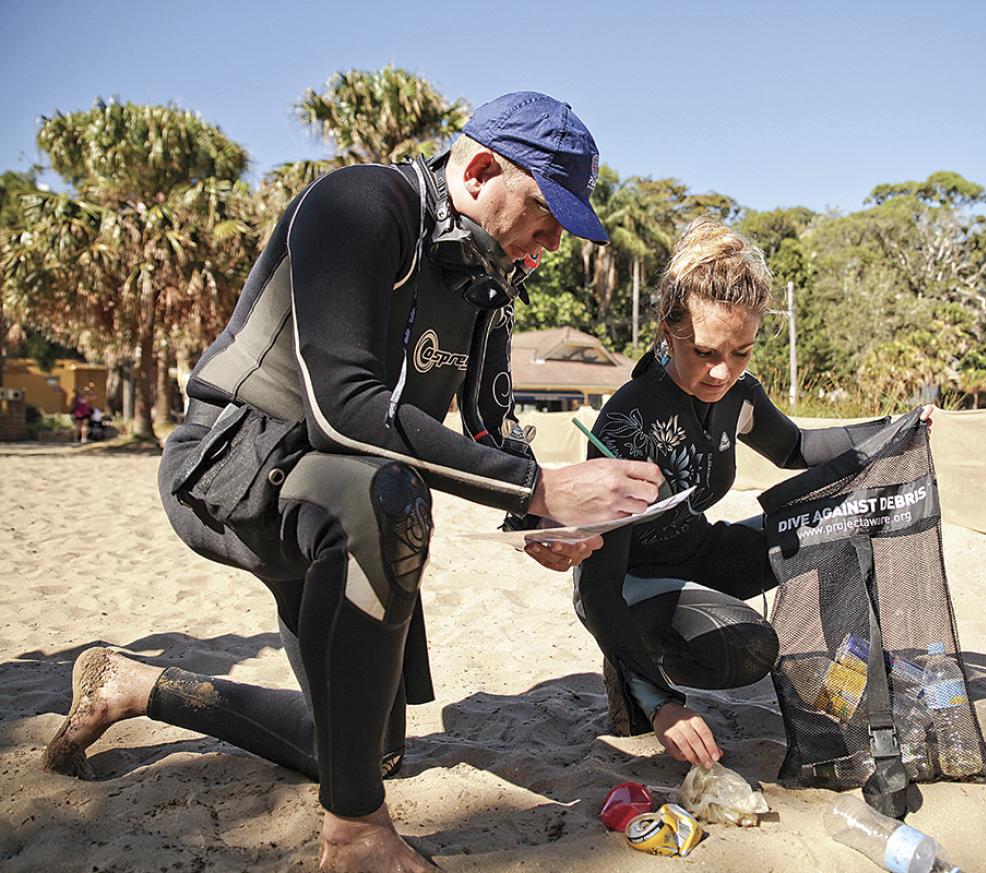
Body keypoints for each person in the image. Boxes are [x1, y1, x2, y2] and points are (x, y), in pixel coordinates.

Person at [41, 92, 662, 873]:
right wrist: (537, 488)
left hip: (337, 497)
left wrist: (537, 523)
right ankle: (355, 834)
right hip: (233, 468)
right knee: (390, 493)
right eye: (544, 211)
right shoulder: (360, 204)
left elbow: (487, 430)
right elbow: (345, 411)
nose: (551, 237)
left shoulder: (486, 282)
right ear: (477, 169)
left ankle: (131, 684)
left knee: (366, 751)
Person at [570, 218, 934, 771]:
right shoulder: (626, 423)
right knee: (744, 646)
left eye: (742, 352)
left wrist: (892, 428)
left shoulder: (735, 394)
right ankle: (635, 672)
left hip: (700, 551)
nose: (723, 371)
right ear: (668, 331)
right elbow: (599, 586)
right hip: (627, 581)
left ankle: (848, 698)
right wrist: (662, 705)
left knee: (836, 529)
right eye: (706, 351)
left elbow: (796, 447)